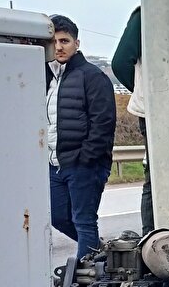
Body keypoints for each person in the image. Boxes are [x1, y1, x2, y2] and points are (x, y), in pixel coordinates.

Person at [46, 14, 117, 260]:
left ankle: (84, 282)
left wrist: (85, 158)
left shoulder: (92, 76)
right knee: (57, 217)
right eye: (54, 41)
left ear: (77, 43)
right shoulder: (48, 77)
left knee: (84, 221)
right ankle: (102, 252)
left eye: (64, 40)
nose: (58, 46)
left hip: (83, 165)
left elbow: (103, 122)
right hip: (55, 164)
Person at [110, 5, 153, 235]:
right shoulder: (144, 15)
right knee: (154, 179)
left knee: (155, 179)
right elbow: (120, 63)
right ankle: (151, 238)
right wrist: (142, 91)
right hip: (154, 113)